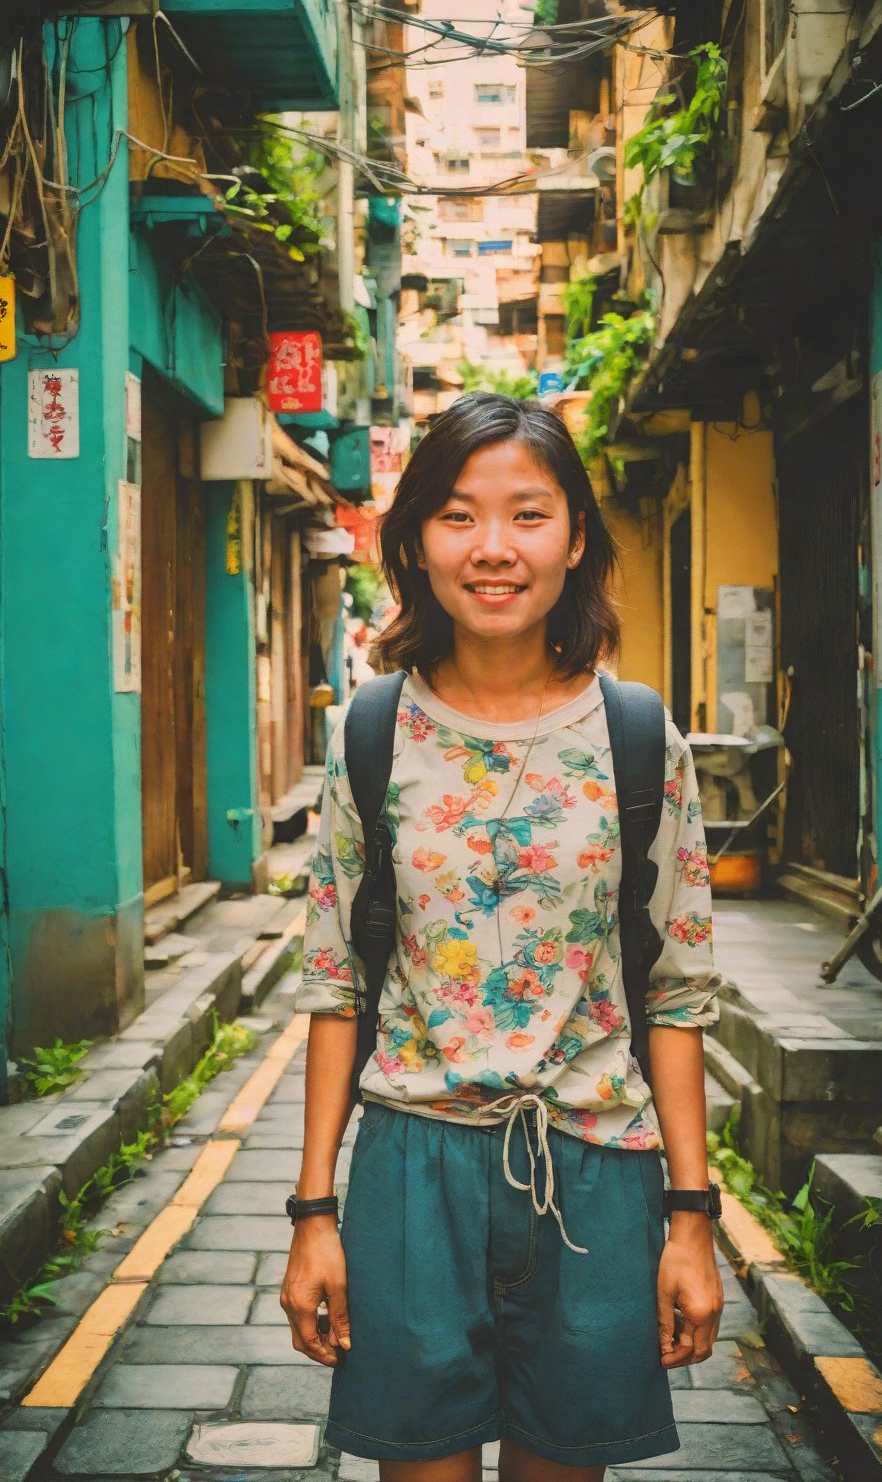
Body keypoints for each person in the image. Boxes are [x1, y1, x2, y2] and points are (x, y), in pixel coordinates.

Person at [281, 393, 724, 1481]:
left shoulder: (634, 737)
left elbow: (674, 993)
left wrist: (691, 1221)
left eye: (527, 516)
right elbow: (337, 983)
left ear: (574, 539)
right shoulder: (374, 732)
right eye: (455, 515)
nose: (491, 549)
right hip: (409, 1171)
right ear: (414, 543)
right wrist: (313, 1214)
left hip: (592, 1172)